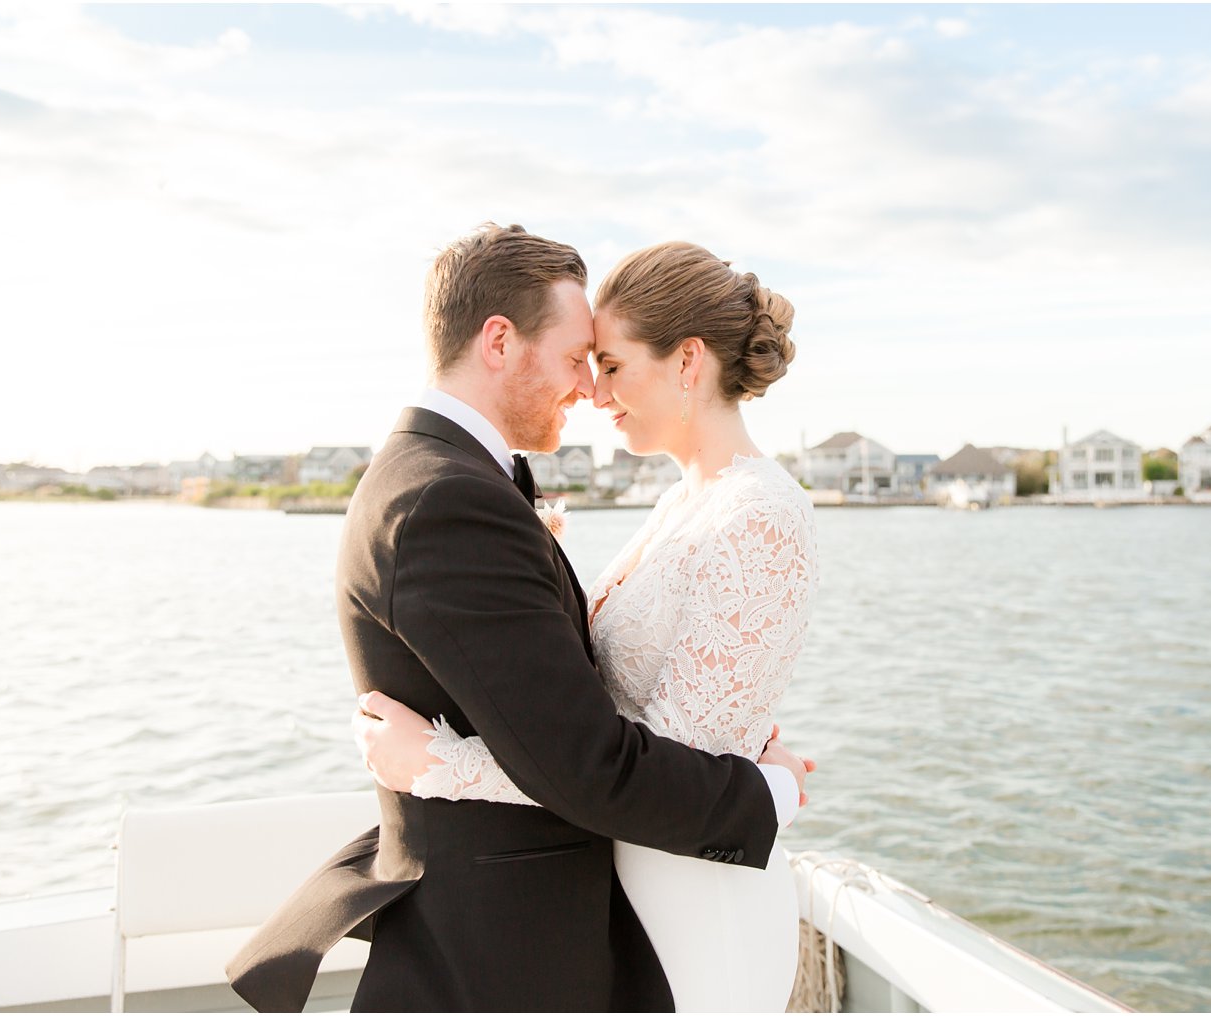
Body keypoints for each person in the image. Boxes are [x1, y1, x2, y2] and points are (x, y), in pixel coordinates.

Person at [225, 225, 811, 1013]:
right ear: (499, 341)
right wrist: (761, 790)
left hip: (678, 892)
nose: (592, 390)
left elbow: (604, 750)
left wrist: (440, 761)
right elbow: (586, 747)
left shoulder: (751, 511)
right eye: (582, 361)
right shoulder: (451, 493)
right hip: (550, 921)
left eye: (607, 365)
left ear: (687, 361)